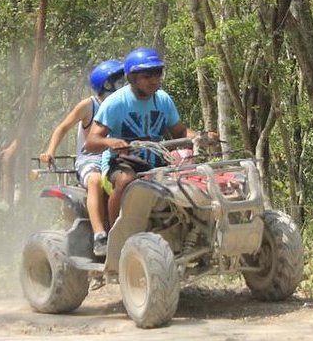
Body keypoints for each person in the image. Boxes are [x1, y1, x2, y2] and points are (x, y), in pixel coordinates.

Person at [85, 47, 203, 226]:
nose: (154, 80)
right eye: (147, 76)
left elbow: (180, 132)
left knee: (194, 177)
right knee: (126, 180)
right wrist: (110, 141)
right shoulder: (115, 102)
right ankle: (115, 230)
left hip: (158, 162)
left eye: (157, 74)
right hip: (121, 163)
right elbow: (91, 143)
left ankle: (193, 228)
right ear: (132, 78)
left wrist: (202, 136)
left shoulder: (163, 99)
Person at [39, 59, 124, 256]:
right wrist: (50, 151)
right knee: (95, 181)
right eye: (118, 81)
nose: (123, 85)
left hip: (118, 157)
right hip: (91, 159)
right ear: (106, 84)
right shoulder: (89, 106)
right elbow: (62, 127)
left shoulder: (124, 103)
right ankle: (100, 236)